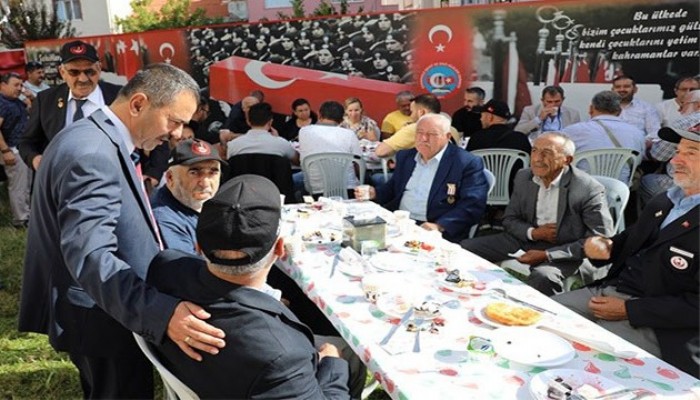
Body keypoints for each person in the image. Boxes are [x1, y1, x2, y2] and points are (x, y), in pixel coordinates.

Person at [18, 64, 226, 399]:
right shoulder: (93, 153)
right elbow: (91, 255)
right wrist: (160, 313)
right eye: (174, 121)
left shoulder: (99, 138)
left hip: (110, 309)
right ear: (139, 104)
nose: (177, 134)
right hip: (103, 317)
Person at [148, 175, 361, 398]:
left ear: (199, 246)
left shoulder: (165, 266)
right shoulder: (282, 355)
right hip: (252, 378)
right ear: (279, 249)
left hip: (207, 378)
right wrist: (333, 364)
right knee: (349, 353)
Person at [552, 121, 699, 378]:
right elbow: (630, 241)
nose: (676, 160)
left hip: (661, 326)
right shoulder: (665, 200)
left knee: (587, 365)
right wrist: (605, 247)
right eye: (678, 151)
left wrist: (629, 310)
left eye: (691, 153)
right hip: (612, 292)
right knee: (543, 318)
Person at [461, 133, 614, 295]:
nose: (537, 159)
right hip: (526, 239)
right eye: (534, 151)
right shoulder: (523, 176)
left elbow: (601, 239)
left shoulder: (587, 189)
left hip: (567, 250)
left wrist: (547, 255)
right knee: (465, 248)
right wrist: (533, 233)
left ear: (567, 160)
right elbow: (509, 219)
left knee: (544, 276)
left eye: (547, 153)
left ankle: (533, 315)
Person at [358, 113, 488, 243]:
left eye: (432, 134)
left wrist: (440, 226)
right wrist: (375, 193)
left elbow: (473, 203)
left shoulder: (465, 162)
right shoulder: (406, 157)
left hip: (434, 227)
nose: (423, 138)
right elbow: (394, 187)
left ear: (447, 137)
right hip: (399, 222)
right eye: (419, 133)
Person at [18, 40, 122, 171]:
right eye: (74, 72)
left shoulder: (120, 96)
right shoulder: (46, 101)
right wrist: (35, 159)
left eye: (89, 71)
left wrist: (151, 170)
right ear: (62, 72)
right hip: (63, 182)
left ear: (99, 69)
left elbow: (148, 131)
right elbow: (27, 142)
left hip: (113, 178)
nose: (83, 79)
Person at [152, 139, 226, 254]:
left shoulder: (211, 206)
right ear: (170, 178)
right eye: (194, 172)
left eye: (213, 172)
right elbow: (185, 269)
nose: (205, 183)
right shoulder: (164, 218)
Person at [562, 91, 645, 184]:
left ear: (591, 109)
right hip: (619, 191)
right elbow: (638, 160)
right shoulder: (637, 133)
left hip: (581, 188)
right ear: (619, 111)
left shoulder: (573, 131)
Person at [640, 99, 700, 206]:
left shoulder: (686, 122)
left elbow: (658, 155)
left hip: (679, 184)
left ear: (698, 105)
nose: (674, 161)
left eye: (682, 104)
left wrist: (650, 148)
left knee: (647, 181)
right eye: (678, 151)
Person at [298, 101, 361, 197]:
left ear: (319, 115)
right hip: (349, 191)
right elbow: (358, 164)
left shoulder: (304, 132)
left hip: (315, 192)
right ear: (342, 119)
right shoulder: (349, 134)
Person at [375, 93, 459, 158]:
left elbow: (381, 152)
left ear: (421, 112)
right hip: (448, 177)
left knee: (377, 178)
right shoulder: (452, 130)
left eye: (412, 112)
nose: (410, 116)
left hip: (421, 176)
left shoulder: (415, 129)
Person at [0, 72, 31, 228]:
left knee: (26, 184)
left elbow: (33, 109)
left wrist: (29, 96)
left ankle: (27, 214)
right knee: (18, 185)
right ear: (3, 86)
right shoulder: (2, 103)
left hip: (22, 148)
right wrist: (6, 151)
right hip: (12, 149)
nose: (19, 88)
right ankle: (21, 220)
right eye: (16, 85)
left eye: (21, 85)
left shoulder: (16, 101)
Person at [226, 102, 299, 165]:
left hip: (244, 180)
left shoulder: (233, 146)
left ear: (248, 122)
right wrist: (277, 138)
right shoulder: (282, 143)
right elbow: (297, 161)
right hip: (274, 181)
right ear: (270, 122)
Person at [467, 99, 532, 155]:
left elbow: (467, 162)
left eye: (482, 116)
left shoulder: (477, 138)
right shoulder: (520, 138)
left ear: (490, 117)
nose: (480, 119)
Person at [515, 86, 581, 140]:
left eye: (557, 101)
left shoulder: (573, 114)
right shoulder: (530, 111)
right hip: (537, 146)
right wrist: (539, 119)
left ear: (563, 99)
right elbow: (518, 131)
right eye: (549, 102)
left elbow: (577, 135)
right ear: (542, 100)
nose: (553, 105)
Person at [611, 75, 661, 139]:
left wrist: (643, 143)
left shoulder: (647, 108)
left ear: (635, 89)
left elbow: (655, 132)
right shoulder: (603, 107)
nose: (622, 89)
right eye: (618, 87)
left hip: (638, 146)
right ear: (612, 90)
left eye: (626, 86)